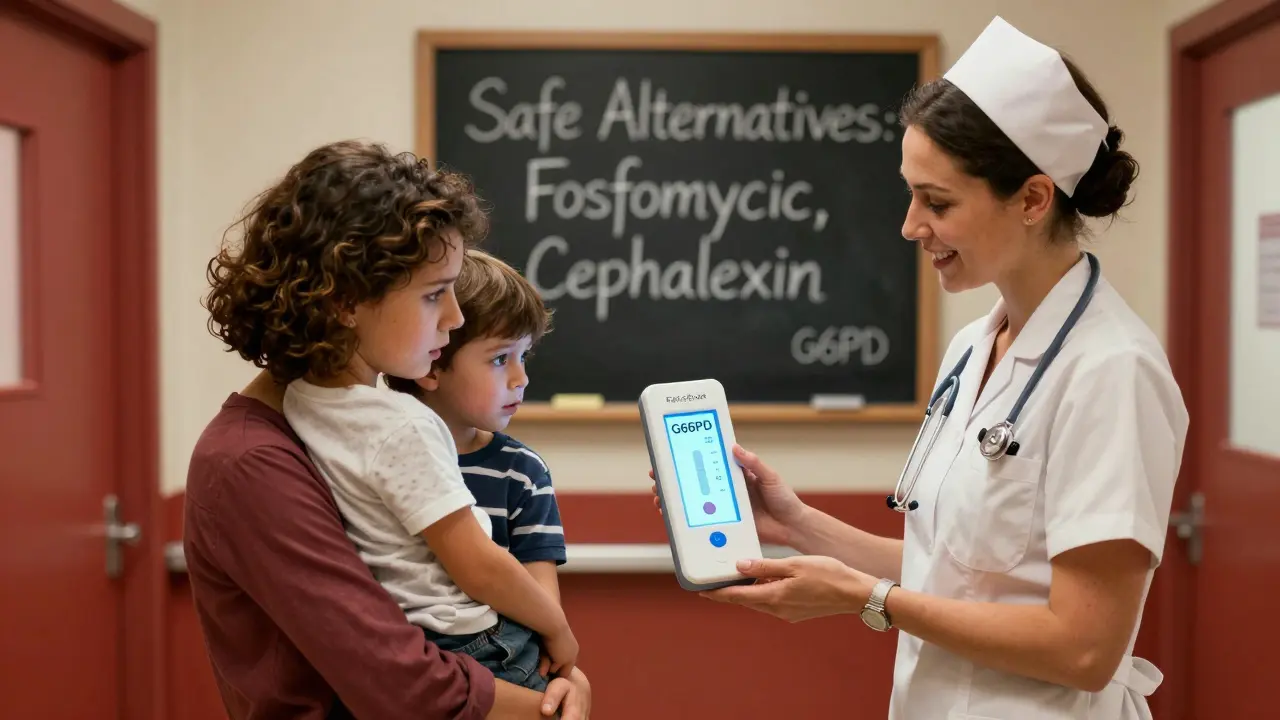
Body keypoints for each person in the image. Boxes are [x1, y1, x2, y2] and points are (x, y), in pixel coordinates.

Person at [649, 16, 1187, 720]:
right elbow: (961, 575)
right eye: (911, 194)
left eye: (937, 202)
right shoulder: (972, 348)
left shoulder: (1113, 371)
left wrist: (867, 599)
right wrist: (796, 522)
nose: (910, 225)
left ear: (1032, 198)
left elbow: (1085, 649)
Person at [187, 139, 591, 720]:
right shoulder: (253, 461)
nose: (454, 318)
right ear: (345, 300)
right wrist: (551, 707)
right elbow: (404, 686)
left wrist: (559, 686)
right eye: (434, 295)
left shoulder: (320, 414)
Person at [385, 248, 567, 679]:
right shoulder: (378, 456)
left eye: (524, 356)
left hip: (498, 666)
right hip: (398, 664)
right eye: (500, 359)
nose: (521, 378)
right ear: (432, 364)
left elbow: (544, 607)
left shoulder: (522, 473)